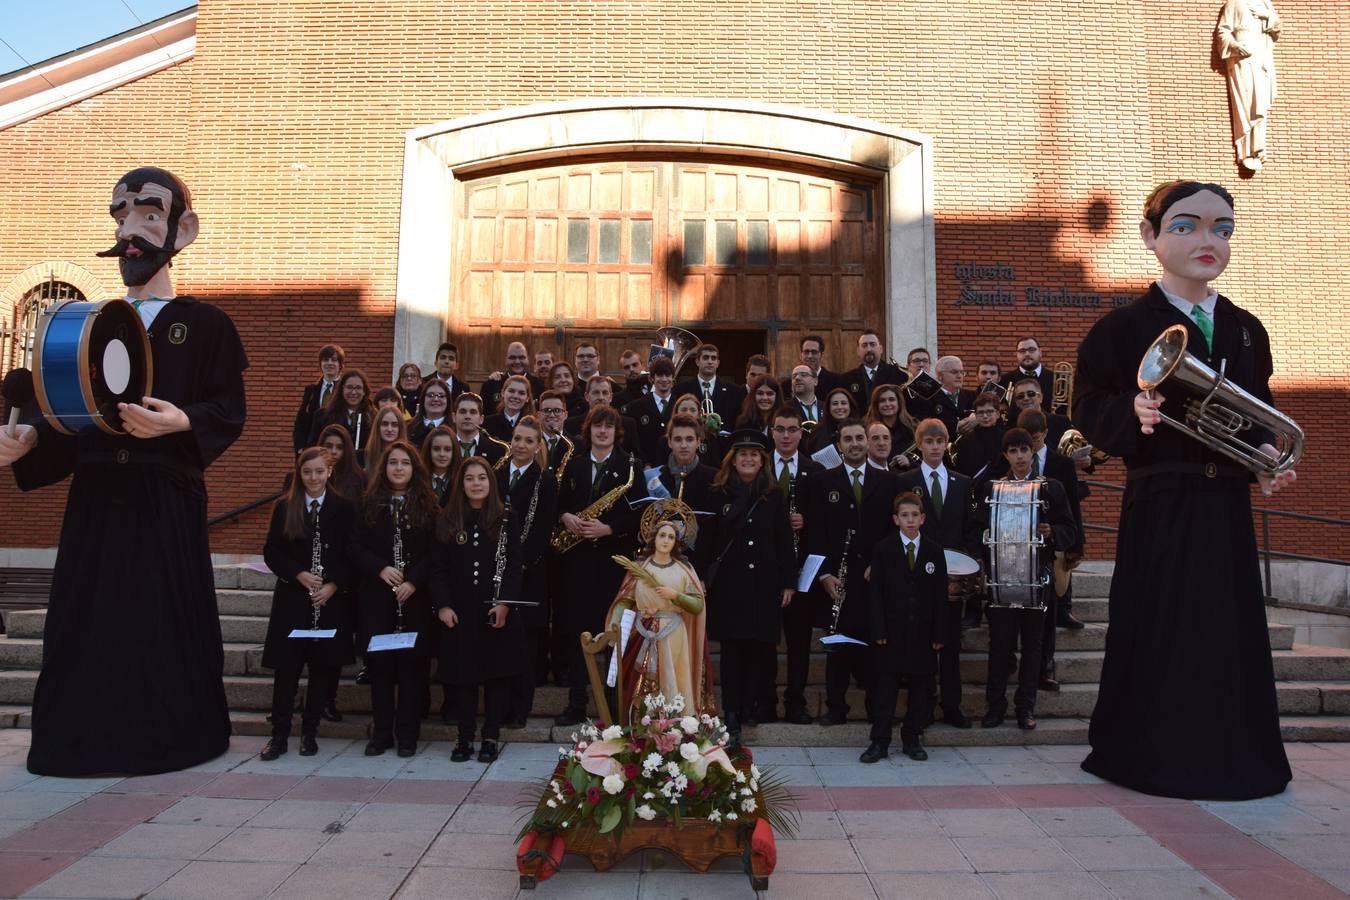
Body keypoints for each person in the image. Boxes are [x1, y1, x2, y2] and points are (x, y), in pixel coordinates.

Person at [0, 167, 247, 776]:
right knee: (87, 622)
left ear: (182, 231)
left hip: (164, 497)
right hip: (96, 498)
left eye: (149, 216)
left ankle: (172, 737)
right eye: (120, 216)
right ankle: (78, 741)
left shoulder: (206, 324)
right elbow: (60, 409)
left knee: (162, 619)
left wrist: (180, 421)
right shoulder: (87, 322)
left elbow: (227, 408)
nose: (130, 233)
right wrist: (27, 436)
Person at [1075, 180, 1295, 800]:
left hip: (1225, 504)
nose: (1209, 240)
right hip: (1161, 503)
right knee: (1160, 624)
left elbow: (1260, 411)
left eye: (1222, 229)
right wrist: (1131, 418)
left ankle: (1236, 756)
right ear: (1150, 236)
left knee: (1227, 630)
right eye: (1187, 226)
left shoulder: (1248, 329)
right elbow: (1088, 408)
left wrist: (1268, 457)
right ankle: (1150, 755)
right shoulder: (1120, 329)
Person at [976, 428, 1076, 731]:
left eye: (1024, 450)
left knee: (1033, 647)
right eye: (1013, 451)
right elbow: (977, 527)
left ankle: (1025, 707)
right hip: (1000, 579)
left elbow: (1071, 531)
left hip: (1037, 578)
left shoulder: (1051, 489)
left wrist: (1053, 533)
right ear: (1005, 455)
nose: (1019, 456)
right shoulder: (991, 488)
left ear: (1033, 452)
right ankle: (995, 707)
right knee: (1000, 647)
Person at [260, 448, 356, 760]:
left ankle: (310, 733)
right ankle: (279, 735)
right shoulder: (285, 505)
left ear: (329, 472)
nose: (313, 478)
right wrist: (298, 574)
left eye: (319, 472)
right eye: (307, 472)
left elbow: (351, 554)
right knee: (286, 671)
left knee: (321, 670)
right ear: (300, 474)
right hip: (293, 599)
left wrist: (333, 585)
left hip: (327, 601)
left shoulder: (344, 508)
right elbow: (272, 551)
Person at [701, 430, 795, 745]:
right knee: (732, 652)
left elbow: (784, 540)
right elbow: (707, 540)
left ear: (762, 460)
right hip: (730, 585)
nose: (748, 459)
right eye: (743, 454)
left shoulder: (773, 493)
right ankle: (731, 712)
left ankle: (753, 706)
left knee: (760, 649)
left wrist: (788, 581)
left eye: (754, 454)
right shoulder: (717, 492)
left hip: (764, 583)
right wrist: (701, 575)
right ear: (733, 458)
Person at [804, 418, 900, 725]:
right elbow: (815, 531)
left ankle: (876, 708)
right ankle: (836, 708)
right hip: (838, 580)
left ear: (869, 442)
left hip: (875, 578)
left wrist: (881, 565)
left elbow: (891, 530)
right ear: (839, 445)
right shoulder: (822, 481)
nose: (856, 444)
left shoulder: (888, 481)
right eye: (849, 439)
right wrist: (825, 574)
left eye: (860, 438)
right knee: (839, 645)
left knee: (876, 646)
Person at [553, 406, 642, 725]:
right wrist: (565, 517)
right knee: (579, 634)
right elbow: (558, 504)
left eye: (608, 427)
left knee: (613, 635)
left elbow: (639, 515)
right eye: (597, 426)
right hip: (576, 562)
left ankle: (612, 704)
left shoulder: (631, 466)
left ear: (616, 432)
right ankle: (577, 703)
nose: (602, 432)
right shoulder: (573, 464)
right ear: (588, 430)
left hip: (612, 564)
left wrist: (609, 528)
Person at [432, 457, 524, 763]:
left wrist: (505, 603)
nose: (476, 484)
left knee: (496, 676)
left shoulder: (506, 517)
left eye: (481, 478)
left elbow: (513, 565)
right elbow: (439, 568)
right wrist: (443, 605)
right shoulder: (448, 520)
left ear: (491, 483)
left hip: (494, 610)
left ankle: (490, 736)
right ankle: (464, 736)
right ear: (461, 483)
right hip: (460, 612)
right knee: (464, 676)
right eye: (469, 478)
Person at [351, 441, 437, 757]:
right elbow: (354, 546)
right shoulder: (368, 504)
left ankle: (408, 735)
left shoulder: (429, 505)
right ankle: (382, 734)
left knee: (413, 673)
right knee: (382, 671)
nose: (398, 468)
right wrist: (380, 568)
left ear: (415, 469)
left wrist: (413, 580)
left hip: (412, 599)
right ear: (384, 468)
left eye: (405, 463)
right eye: (393, 463)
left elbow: (435, 552)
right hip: (378, 599)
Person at [897, 418, 981, 727]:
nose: (934, 447)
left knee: (950, 644)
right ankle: (923, 707)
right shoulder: (905, 480)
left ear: (947, 444)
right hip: (919, 575)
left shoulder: (962, 482)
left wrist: (973, 562)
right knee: (921, 645)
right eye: (928, 442)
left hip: (954, 576)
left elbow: (970, 527)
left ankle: (952, 706)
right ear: (919, 445)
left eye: (940, 441)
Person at [861, 491, 948, 763]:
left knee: (920, 690)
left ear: (922, 518)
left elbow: (940, 596)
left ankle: (912, 738)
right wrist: (879, 630)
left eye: (914, 516)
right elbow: (875, 593)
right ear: (895, 519)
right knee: (885, 690)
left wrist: (938, 633)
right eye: (904, 516)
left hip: (923, 634)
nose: (909, 521)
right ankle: (880, 741)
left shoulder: (934, 551)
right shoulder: (884, 549)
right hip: (892, 633)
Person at [606, 506, 711, 721]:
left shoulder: (684, 569)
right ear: (653, 538)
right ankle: (640, 724)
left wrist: (676, 596)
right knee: (640, 680)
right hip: (642, 631)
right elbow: (625, 601)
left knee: (674, 678)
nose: (665, 540)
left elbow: (698, 605)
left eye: (671, 537)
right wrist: (614, 628)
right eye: (662, 535)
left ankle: (674, 726)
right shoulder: (639, 567)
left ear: (676, 542)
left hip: (674, 633)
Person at [496, 417, 557, 727]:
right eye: (517, 438)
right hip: (497, 568)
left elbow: (543, 527)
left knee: (526, 643)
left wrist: (520, 562)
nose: (521, 445)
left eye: (528, 441)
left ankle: (520, 708)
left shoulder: (544, 480)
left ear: (537, 446)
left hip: (528, 571)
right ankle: (499, 705)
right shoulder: (495, 473)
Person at [768, 406, 824, 724]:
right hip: (767, 568)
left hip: (802, 569)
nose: (786, 435)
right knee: (764, 642)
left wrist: (808, 520)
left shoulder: (814, 470)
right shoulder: (760, 467)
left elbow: (826, 521)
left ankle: (795, 702)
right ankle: (763, 700)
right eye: (780, 429)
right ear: (772, 432)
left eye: (792, 429)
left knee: (800, 642)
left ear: (801, 433)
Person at [1215, 0, 1282, 172]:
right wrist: (1235, 45)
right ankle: (1246, 149)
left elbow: (1276, 27)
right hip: (1243, 59)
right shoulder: (1235, 3)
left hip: (1262, 58)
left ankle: (1259, 147)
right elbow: (1223, 31)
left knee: (1261, 101)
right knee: (1247, 99)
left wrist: (1267, 16)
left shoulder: (1265, 3)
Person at [649, 413, 719, 511]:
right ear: (669, 442)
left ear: (698, 442)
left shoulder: (714, 478)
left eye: (689, 439)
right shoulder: (656, 478)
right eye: (678, 440)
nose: (683, 445)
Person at [309, 369, 375, 463]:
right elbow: (314, 445)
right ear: (341, 389)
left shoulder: (374, 417)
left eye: (358, 388)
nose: (353, 392)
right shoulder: (323, 416)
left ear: (364, 391)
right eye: (349, 387)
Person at [564, 374, 640, 457]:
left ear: (610, 397)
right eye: (596, 393)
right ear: (586, 396)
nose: (601, 397)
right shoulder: (570, 424)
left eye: (605, 393)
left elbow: (636, 456)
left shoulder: (628, 424)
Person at [624, 356, 677, 466]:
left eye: (667, 375)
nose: (664, 379)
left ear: (673, 378)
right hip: (647, 469)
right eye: (659, 375)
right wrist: (644, 464)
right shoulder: (635, 407)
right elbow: (634, 441)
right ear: (652, 378)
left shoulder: (681, 405)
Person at [675, 344, 745, 427]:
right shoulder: (681, 389)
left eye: (713, 358)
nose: (710, 361)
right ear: (697, 362)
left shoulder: (734, 390)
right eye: (705, 357)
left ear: (718, 363)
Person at [292, 345, 344, 454]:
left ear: (340, 365)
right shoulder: (311, 391)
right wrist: (300, 448)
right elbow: (300, 422)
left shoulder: (345, 391)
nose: (329, 363)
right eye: (325, 360)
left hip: (337, 449)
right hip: (313, 449)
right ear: (320, 364)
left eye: (334, 360)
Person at [843, 329, 906, 414]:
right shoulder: (847, 378)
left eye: (873, 344)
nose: (869, 349)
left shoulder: (897, 374)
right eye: (864, 345)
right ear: (858, 351)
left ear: (881, 349)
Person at [953, 392, 1005, 488]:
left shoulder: (1006, 439)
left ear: (998, 414)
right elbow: (962, 472)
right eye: (980, 412)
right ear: (975, 416)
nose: (985, 416)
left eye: (989, 412)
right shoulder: (964, 441)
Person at [481, 342, 545, 412]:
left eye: (521, 357)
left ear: (528, 359)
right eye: (512, 357)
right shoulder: (490, 385)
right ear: (506, 359)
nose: (517, 362)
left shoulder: (540, 385)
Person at [451, 392, 508, 465]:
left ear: (481, 419)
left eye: (473, 412)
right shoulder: (444, 446)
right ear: (453, 417)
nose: (467, 416)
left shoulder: (496, 450)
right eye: (463, 412)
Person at [864, 383, 916, 460]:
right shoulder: (866, 429)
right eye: (882, 401)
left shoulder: (913, 426)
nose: (887, 404)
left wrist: (910, 462)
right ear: (876, 405)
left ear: (899, 402)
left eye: (891, 399)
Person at [931, 356, 977, 440]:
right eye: (954, 372)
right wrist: (955, 427)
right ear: (940, 375)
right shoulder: (930, 398)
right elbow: (927, 425)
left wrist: (977, 418)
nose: (959, 376)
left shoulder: (973, 396)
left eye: (962, 372)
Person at [673, 393, 722, 468]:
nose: (688, 413)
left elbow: (715, 467)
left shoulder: (710, 438)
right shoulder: (665, 440)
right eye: (684, 410)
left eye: (693, 410)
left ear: (699, 414)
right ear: (676, 412)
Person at [1001, 337, 1055, 402]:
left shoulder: (1056, 380)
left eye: (1031, 350)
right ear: (1016, 355)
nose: (1027, 354)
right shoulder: (1004, 381)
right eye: (1022, 351)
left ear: (1040, 352)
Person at [483, 374, 534, 442]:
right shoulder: (487, 423)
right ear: (503, 393)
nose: (515, 396)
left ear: (527, 398)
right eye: (511, 391)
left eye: (521, 393)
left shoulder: (533, 425)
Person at [808, 386, 858, 454]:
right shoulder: (817, 433)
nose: (839, 407)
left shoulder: (861, 429)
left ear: (850, 406)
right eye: (835, 404)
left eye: (843, 403)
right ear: (828, 407)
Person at [536, 390, 575, 474]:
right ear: (538, 415)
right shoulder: (531, 444)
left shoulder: (578, 445)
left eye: (557, 410)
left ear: (565, 415)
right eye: (546, 410)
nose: (552, 415)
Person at [364, 406, 409, 478]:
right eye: (385, 424)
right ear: (378, 427)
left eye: (394, 425)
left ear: (400, 428)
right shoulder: (367, 455)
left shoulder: (409, 456)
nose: (389, 429)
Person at [421, 425, 460, 507]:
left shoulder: (461, 481)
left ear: (454, 451)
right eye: (436, 449)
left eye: (447, 449)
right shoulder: (418, 480)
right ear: (429, 450)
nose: (442, 454)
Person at [407, 379, 452, 449]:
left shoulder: (454, 428)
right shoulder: (408, 427)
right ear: (423, 399)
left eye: (441, 396)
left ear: (448, 400)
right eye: (430, 395)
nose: (436, 399)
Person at [797, 334, 842, 398]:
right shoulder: (790, 384)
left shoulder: (836, 381)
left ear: (821, 355)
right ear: (801, 355)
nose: (810, 356)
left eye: (814, 352)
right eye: (806, 352)